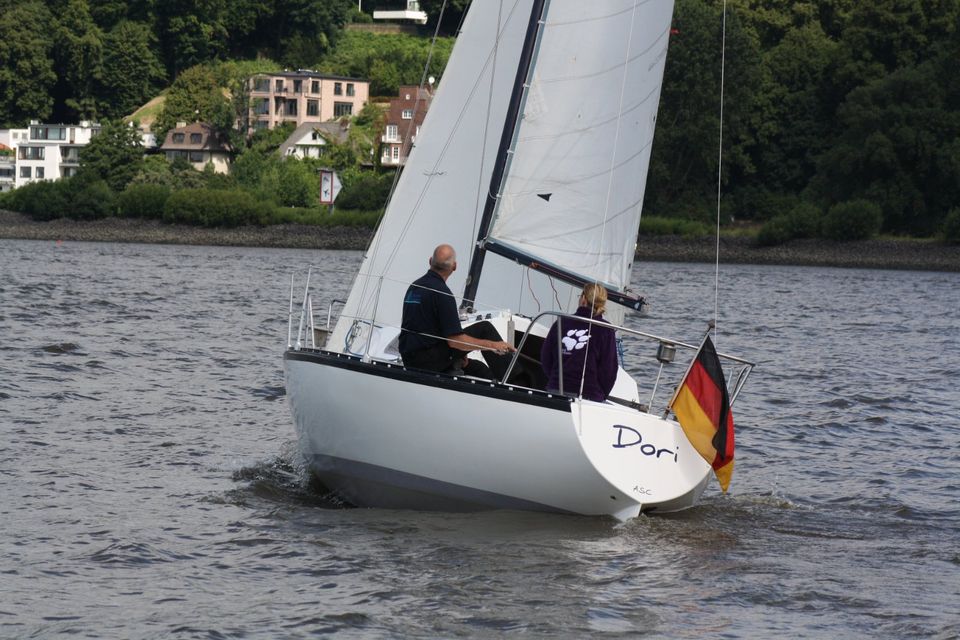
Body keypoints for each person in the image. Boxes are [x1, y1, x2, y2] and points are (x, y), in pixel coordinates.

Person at [398, 244, 516, 379]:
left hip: (409, 358)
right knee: (484, 329)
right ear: (454, 267)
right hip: (426, 361)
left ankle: (501, 382)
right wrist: (494, 345)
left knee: (478, 368)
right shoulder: (442, 293)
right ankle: (515, 383)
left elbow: (423, 324)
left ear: (430, 261)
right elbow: (455, 341)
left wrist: (460, 353)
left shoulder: (414, 287)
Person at [540, 283, 619, 402]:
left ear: (583, 299)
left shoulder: (561, 322)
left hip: (556, 389)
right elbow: (609, 370)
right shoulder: (606, 329)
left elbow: (546, 358)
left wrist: (556, 380)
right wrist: (600, 394)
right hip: (590, 394)